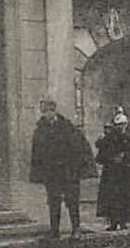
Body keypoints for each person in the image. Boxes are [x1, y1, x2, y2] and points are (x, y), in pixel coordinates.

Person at [29, 100, 93, 238]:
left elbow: (79, 146)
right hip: (51, 173)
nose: (47, 114)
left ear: (55, 111)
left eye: (49, 111)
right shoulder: (40, 130)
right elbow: (37, 153)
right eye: (44, 112)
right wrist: (39, 172)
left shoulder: (67, 127)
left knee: (72, 200)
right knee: (53, 201)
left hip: (68, 171)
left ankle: (76, 228)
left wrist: (77, 166)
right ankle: (55, 230)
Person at [95, 109, 130, 231]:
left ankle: (124, 221)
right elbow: (101, 153)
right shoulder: (109, 138)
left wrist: (126, 157)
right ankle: (113, 222)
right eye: (119, 125)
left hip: (127, 173)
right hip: (112, 173)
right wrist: (111, 157)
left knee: (126, 197)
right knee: (113, 198)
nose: (121, 127)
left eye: (123, 125)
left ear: (127, 125)